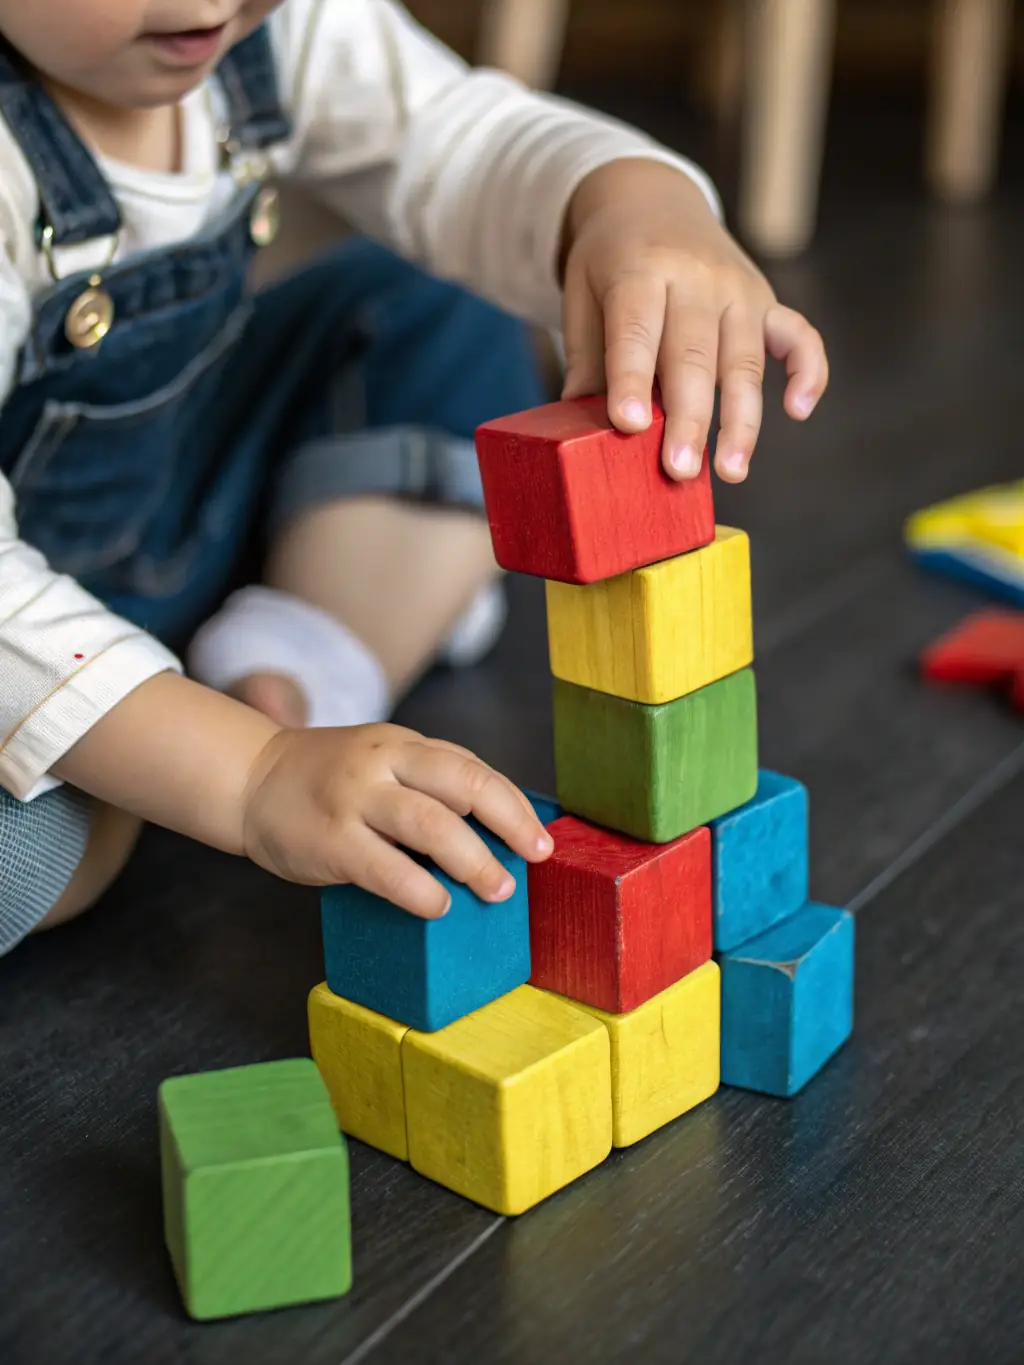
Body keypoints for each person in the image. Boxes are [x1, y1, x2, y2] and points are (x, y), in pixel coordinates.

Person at [0, 0, 828, 956]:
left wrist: (632, 205)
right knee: (21, 845)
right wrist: (251, 775)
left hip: (181, 495)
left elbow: (460, 145)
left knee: (438, 301)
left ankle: (306, 658)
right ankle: (146, 772)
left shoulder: (281, 29)